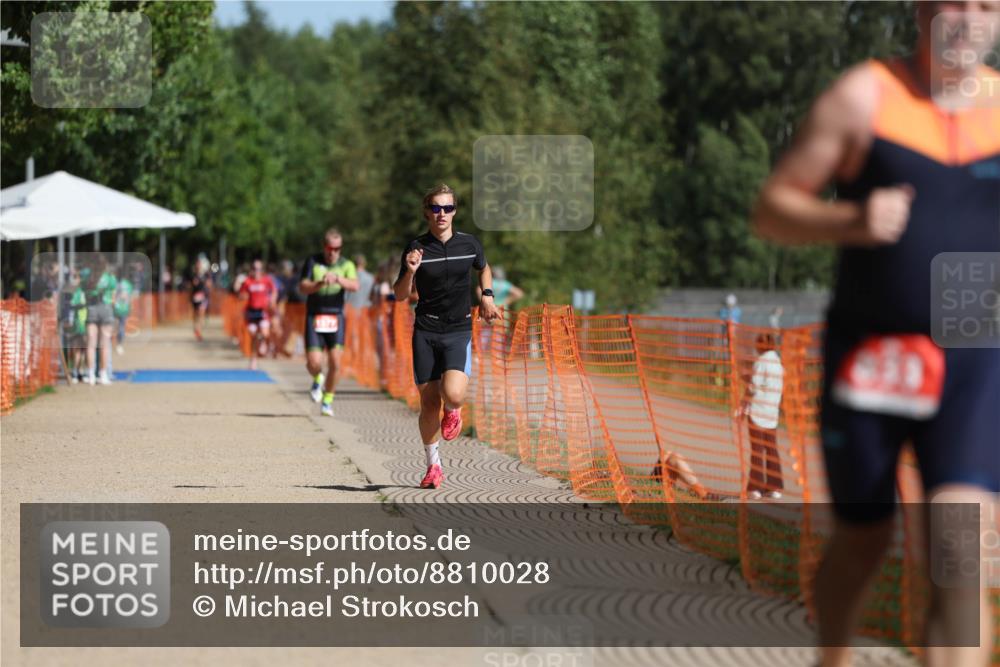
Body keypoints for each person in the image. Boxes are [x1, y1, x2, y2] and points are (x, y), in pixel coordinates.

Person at [753, 4, 999, 665]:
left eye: (988, 5)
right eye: (957, 2)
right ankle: (831, 653)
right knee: (863, 540)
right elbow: (774, 207)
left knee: (962, 548)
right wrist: (852, 218)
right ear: (923, 9)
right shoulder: (864, 97)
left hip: (975, 357)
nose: (970, 19)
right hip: (873, 353)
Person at [393, 184, 501, 489]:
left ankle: (454, 410)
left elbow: (484, 268)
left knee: (452, 394)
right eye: (437, 208)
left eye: (448, 208)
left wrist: (488, 297)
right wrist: (410, 271)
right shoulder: (416, 248)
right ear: (427, 212)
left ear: (454, 211)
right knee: (428, 403)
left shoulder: (469, 244)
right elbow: (400, 295)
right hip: (426, 330)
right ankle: (433, 465)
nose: (443, 214)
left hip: (458, 329)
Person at [298, 229, 359, 416]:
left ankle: (328, 400)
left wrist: (338, 279)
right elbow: (302, 287)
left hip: (335, 317)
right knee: (313, 362)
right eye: (329, 248)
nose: (333, 252)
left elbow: (355, 285)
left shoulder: (346, 264)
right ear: (324, 247)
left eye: (337, 248)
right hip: (314, 316)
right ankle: (318, 377)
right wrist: (320, 283)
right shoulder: (313, 261)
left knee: (335, 363)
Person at [738, 333, 785, 500]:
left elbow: (754, 387)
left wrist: (745, 378)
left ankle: (755, 488)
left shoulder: (762, 361)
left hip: (757, 411)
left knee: (757, 450)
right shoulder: (778, 362)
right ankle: (775, 487)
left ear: (760, 345)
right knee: (772, 449)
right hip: (772, 412)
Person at [238, 259, 277, 371]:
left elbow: (274, 290)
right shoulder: (247, 281)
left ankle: (263, 343)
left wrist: (272, 300)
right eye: (254, 269)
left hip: (262, 311)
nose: (256, 271)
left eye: (259, 269)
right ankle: (253, 359)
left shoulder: (266, 280)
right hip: (251, 312)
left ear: (262, 270)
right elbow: (240, 293)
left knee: (264, 333)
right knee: (253, 335)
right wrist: (243, 295)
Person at [83, 257, 117, 385]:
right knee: (105, 344)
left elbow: (83, 292)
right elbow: (113, 299)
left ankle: (90, 374)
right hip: (106, 309)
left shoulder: (88, 277)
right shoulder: (110, 278)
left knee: (91, 344)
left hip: (91, 308)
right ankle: (103, 374)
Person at [113, 265, 134, 355]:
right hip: (123, 309)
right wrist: (130, 307)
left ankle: (116, 344)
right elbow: (130, 298)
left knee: (116, 328)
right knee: (120, 328)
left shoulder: (114, 282)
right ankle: (119, 345)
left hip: (116, 308)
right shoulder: (128, 284)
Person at [190, 262, 212, 342]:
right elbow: (193, 284)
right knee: (196, 315)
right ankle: (196, 328)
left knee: (201, 313)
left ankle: (199, 331)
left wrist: (206, 283)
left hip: (203, 297)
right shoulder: (194, 275)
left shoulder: (206, 275)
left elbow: (209, 284)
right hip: (195, 297)